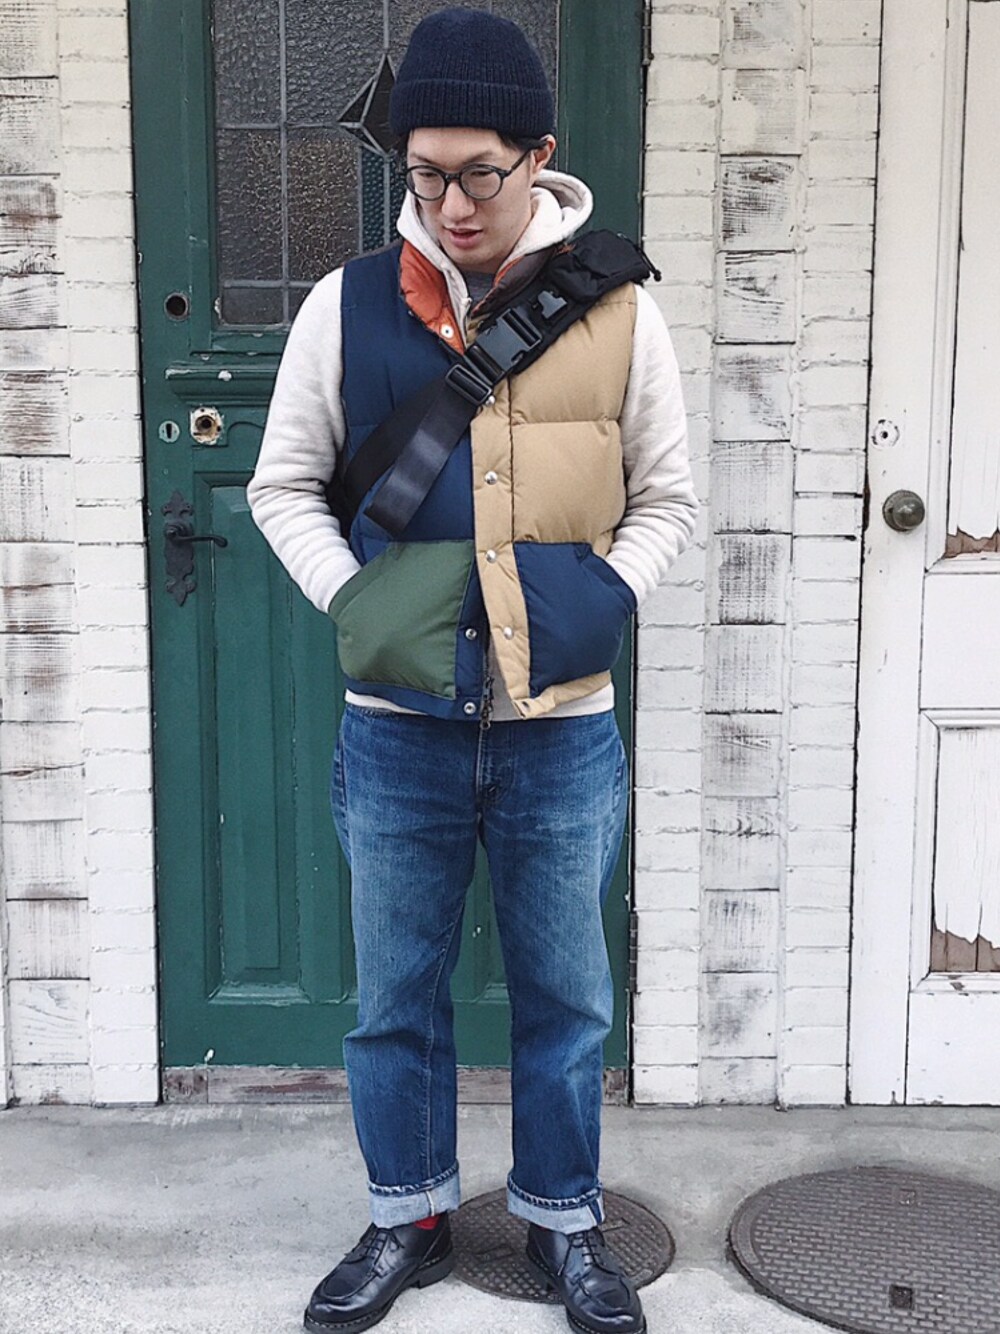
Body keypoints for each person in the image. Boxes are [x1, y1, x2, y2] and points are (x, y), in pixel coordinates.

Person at [247, 9, 697, 1332]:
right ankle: (409, 1215)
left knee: (567, 995)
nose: (450, 203)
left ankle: (564, 1221)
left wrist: (604, 596)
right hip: (398, 729)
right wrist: (358, 601)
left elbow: (668, 497)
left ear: (538, 158)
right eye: (426, 173)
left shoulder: (616, 308)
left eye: (479, 174)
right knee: (395, 996)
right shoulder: (347, 306)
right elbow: (282, 487)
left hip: (564, 727)